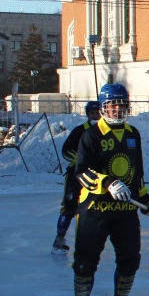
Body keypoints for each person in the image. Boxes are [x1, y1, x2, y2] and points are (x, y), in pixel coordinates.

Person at [68, 84, 149, 296]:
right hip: (94, 210)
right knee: (85, 261)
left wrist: (144, 198)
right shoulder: (91, 134)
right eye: (113, 104)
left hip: (125, 212)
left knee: (130, 259)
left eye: (122, 104)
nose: (118, 109)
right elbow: (82, 172)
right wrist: (108, 182)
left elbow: (137, 172)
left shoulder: (133, 134)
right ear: (103, 107)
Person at [52, 100, 101, 254]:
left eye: (98, 112)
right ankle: (60, 238)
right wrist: (79, 161)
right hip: (76, 176)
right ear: (88, 115)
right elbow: (66, 150)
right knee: (69, 205)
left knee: (94, 207)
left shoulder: (105, 132)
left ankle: (90, 240)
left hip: (96, 177)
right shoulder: (79, 131)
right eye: (93, 113)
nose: (96, 115)